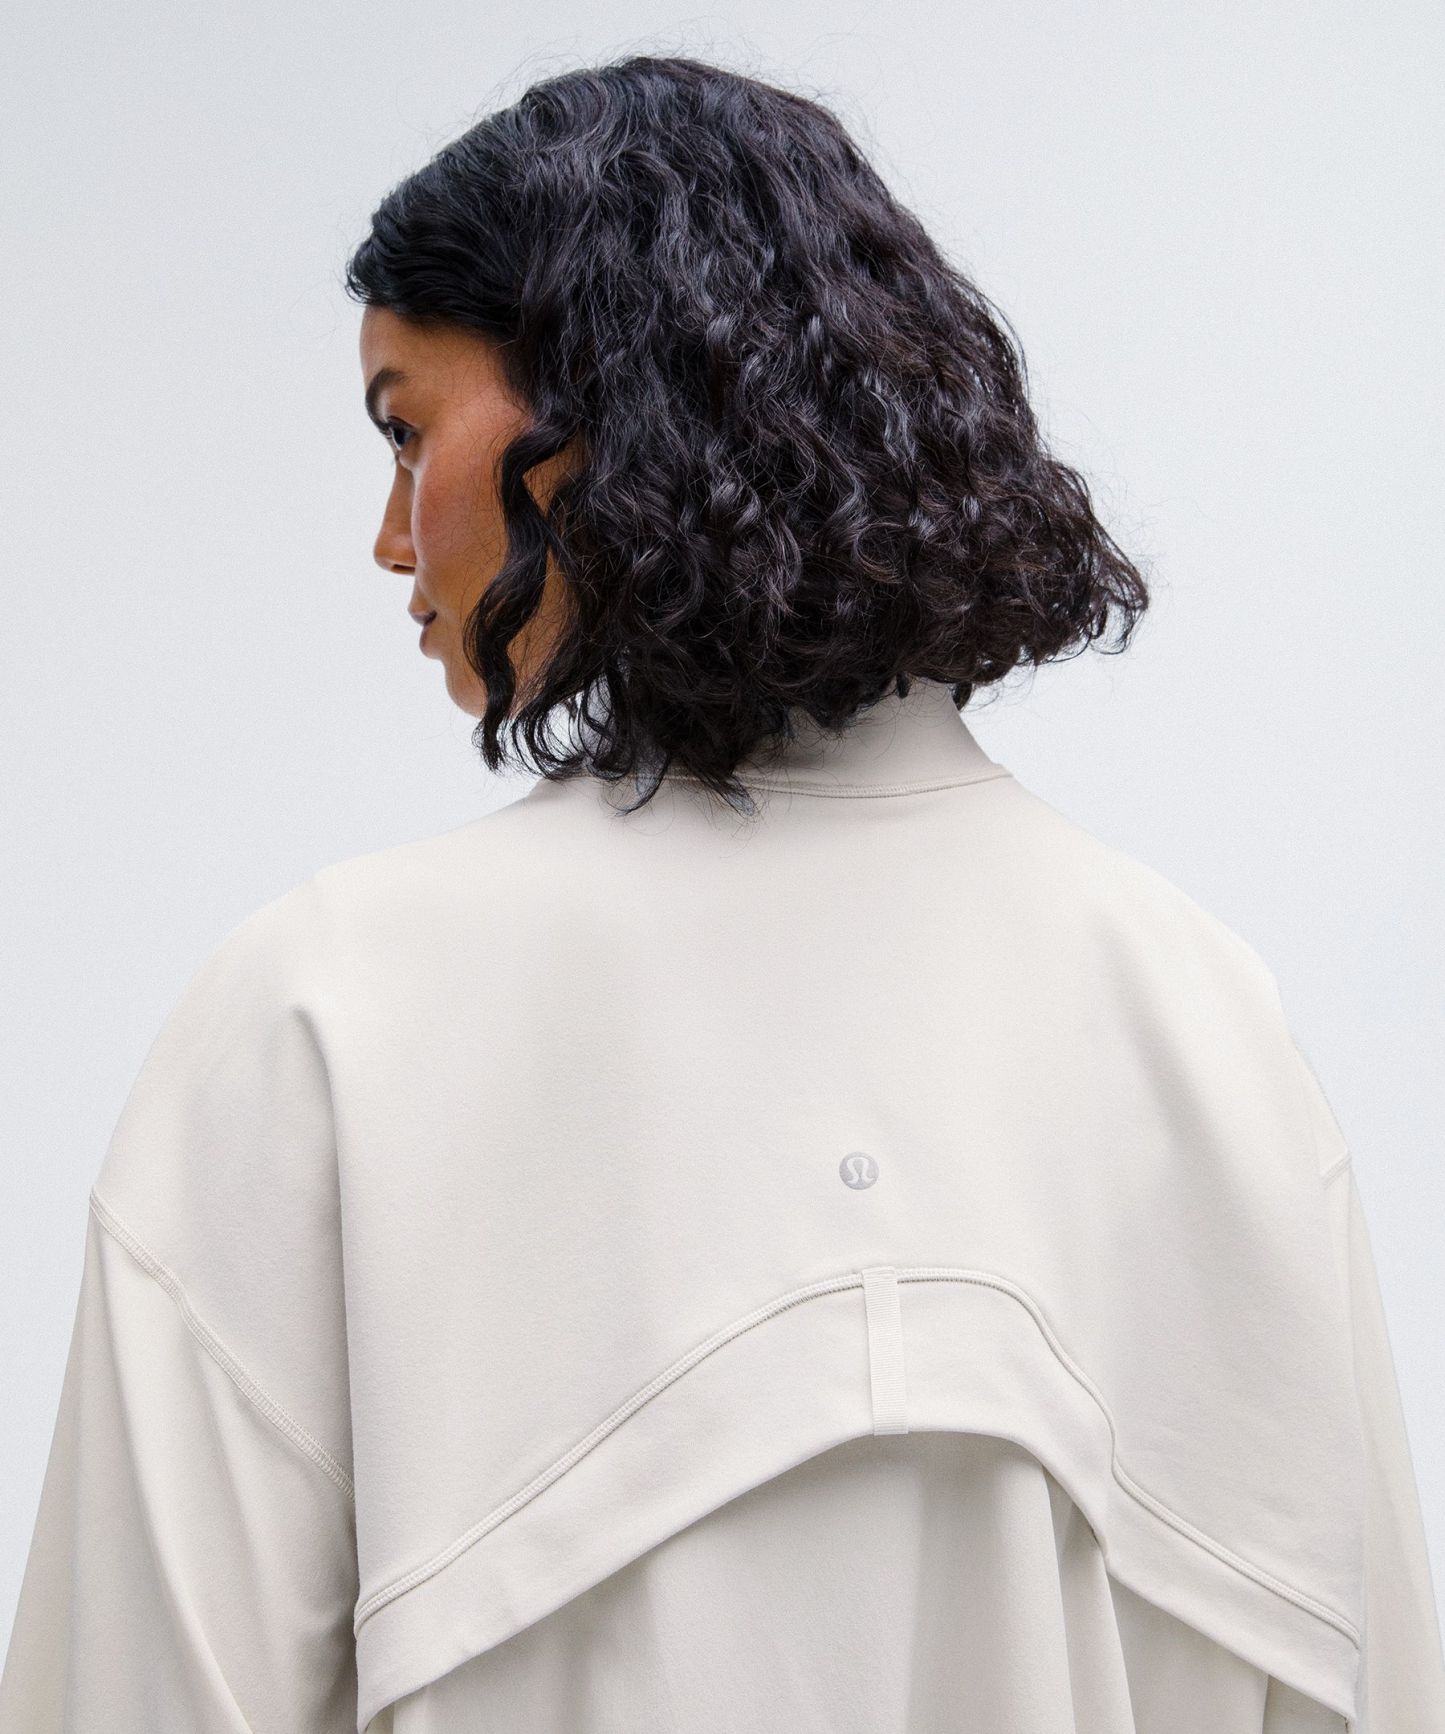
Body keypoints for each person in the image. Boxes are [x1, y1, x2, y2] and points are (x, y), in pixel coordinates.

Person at [3, 52, 1442, 1734]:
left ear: (599, 420)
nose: (394, 535)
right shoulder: (1205, 1024)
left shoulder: (326, 1015)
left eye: (406, 431)